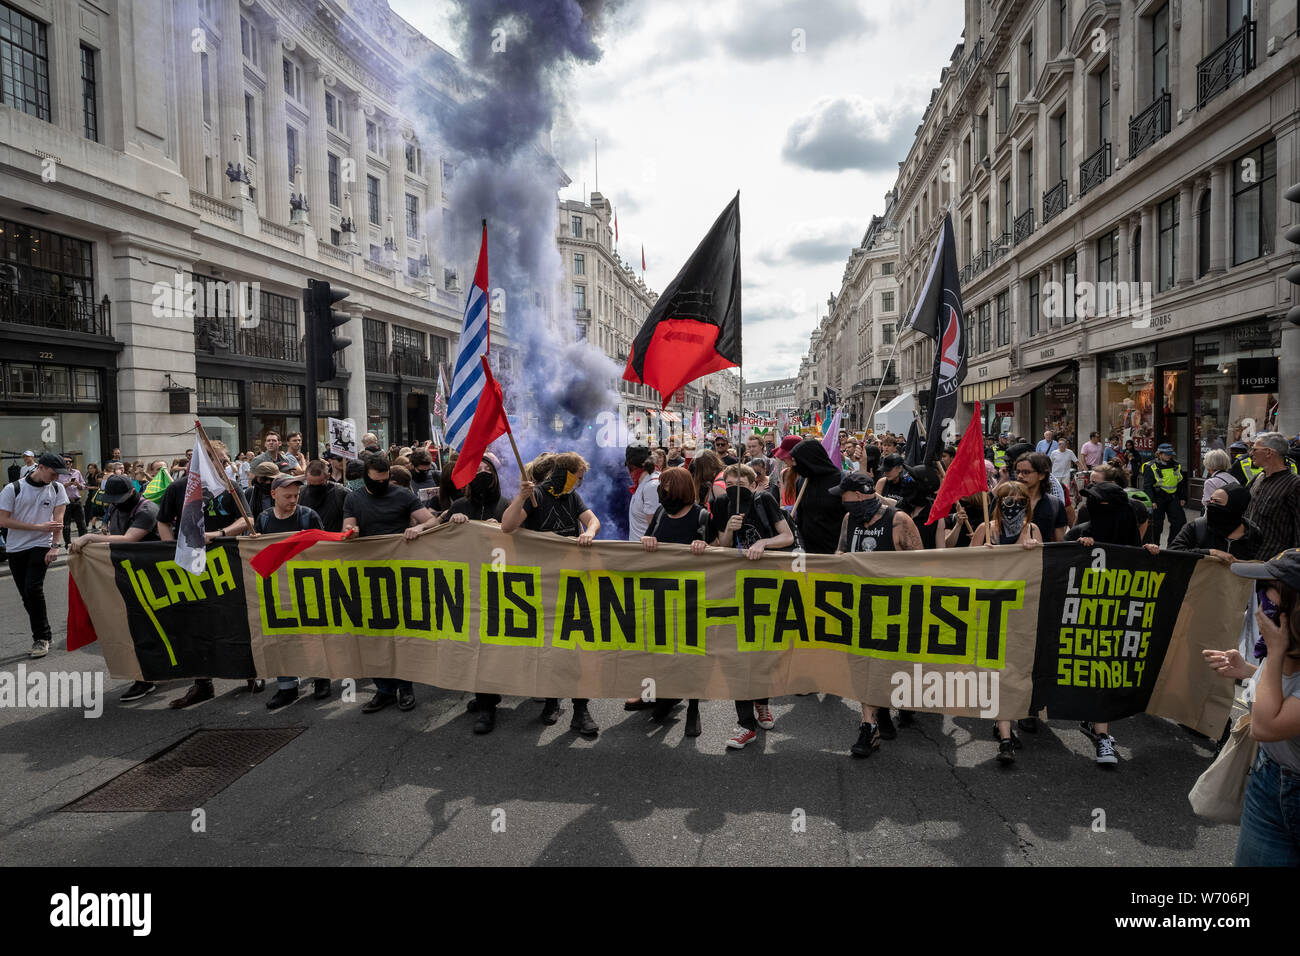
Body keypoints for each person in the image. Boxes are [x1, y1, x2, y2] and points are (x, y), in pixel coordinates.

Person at [500, 451, 601, 735]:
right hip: (542, 587)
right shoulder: (536, 496)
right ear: (564, 473)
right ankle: (551, 702)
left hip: (572, 584)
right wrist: (520, 497)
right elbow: (508, 526)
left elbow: (592, 520)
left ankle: (581, 711)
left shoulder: (571, 498)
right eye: (577, 477)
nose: (579, 483)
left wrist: (589, 532)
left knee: (578, 648)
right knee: (549, 648)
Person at [154, 441, 260, 707]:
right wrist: (170, 550)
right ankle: (202, 683)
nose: (225, 465)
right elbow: (162, 520)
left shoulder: (230, 487)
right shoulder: (178, 488)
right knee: (196, 620)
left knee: (236, 616)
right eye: (220, 460)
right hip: (193, 564)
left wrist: (219, 534)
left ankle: (250, 671)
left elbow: (247, 520)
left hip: (228, 562)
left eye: (225, 460)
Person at [1065, 481, 1159, 767]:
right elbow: (1053, 566)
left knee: (1106, 674)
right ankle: (1103, 735)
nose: (1098, 510)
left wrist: (1152, 557)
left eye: (1103, 504)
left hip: (1120, 621)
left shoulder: (1135, 544)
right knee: (1098, 674)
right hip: (1083, 620)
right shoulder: (1080, 534)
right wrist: (1078, 553)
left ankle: (1096, 723)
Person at [831, 471, 922, 757]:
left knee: (888, 666)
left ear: (858, 495)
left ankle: (890, 709)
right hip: (860, 606)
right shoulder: (850, 520)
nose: (841, 502)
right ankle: (869, 725)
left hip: (894, 608)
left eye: (844, 496)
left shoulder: (898, 520)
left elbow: (922, 564)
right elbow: (841, 551)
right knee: (862, 666)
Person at [343, 456, 438, 714]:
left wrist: (418, 529)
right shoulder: (354, 498)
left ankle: (405, 687)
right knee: (374, 634)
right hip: (368, 575)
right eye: (376, 481)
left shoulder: (402, 496)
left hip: (398, 575)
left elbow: (431, 520)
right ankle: (384, 689)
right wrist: (351, 533)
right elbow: (347, 528)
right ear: (366, 477)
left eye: (385, 481)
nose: (382, 485)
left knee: (399, 633)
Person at [1226, 549, 1300, 866]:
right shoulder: (1286, 643)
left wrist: (1276, 648)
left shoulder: (1279, 642)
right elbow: (1286, 695)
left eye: (1267, 591)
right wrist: (1248, 670)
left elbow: (1266, 726)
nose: (1260, 606)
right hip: (1269, 780)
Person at [716, 464, 795, 749]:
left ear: (754, 483)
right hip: (736, 589)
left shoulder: (765, 500)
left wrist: (762, 543)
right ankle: (744, 724)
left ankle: (762, 703)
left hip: (769, 587)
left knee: (763, 652)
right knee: (739, 655)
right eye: (730, 481)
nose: (735, 485)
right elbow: (722, 547)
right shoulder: (723, 503)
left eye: (741, 481)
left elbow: (787, 537)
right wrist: (729, 528)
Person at [639, 466, 711, 736]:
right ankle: (667, 696)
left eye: (666, 484)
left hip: (691, 597)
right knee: (663, 650)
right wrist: (648, 540)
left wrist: (704, 546)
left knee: (690, 653)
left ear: (678, 486)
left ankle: (693, 708)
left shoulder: (700, 514)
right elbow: (650, 536)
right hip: (661, 593)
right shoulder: (660, 513)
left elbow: (716, 550)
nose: (662, 489)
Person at [256, 475, 324, 711]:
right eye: (288, 496)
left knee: (312, 635)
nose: (294, 500)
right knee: (282, 638)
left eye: (296, 496)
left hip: (307, 587)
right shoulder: (263, 519)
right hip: (277, 588)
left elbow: (324, 547)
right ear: (273, 494)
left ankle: (321, 678)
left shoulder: (308, 515)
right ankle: (287, 687)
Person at [0, 452, 69, 658]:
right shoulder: (13, 489)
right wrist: (38, 527)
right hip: (16, 547)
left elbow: (59, 519)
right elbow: (3, 521)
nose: (56, 477)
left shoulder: (57, 488)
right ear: (41, 466)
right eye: (54, 472)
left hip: (42, 545)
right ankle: (44, 631)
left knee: (33, 588)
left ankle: (41, 637)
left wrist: (55, 546)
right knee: (26, 595)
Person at [1243, 433, 1300, 563]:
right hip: (1248, 558)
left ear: (1268, 452)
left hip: (1274, 565)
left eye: (1255, 449)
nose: (1251, 453)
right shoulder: (1258, 478)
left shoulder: (1295, 485)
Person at [789, 438, 847, 556]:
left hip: (835, 552)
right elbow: (801, 515)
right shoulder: (802, 482)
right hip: (807, 553)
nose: (794, 466)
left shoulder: (842, 481)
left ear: (809, 460)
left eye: (797, 461)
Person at [1170, 484, 1256, 563]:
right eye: (1211, 500)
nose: (1210, 505)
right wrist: (1211, 552)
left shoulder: (1253, 534)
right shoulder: (1197, 527)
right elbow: (1173, 551)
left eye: (1217, 502)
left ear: (1234, 507)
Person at [1013, 452, 1067, 546]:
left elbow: (1059, 544)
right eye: (1018, 472)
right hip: (1011, 559)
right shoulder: (1005, 502)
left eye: (1026, 472)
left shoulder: (1055, 505)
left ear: (1041, 475)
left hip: (1043, 559)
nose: (1020, 476)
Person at [440, 453, 507, 524]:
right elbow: (444, 533)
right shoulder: (458, 506)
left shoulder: (505, 506)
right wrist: (452, 522)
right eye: (478, 470)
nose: (483, 472)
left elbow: (514, 532)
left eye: (488, 469)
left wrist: (499, 527)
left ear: (494, 475)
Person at [1142, 442, 1188, 545]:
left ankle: (1172, 545)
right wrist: (1151, 501)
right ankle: (1155, 546)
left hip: (1173, 497)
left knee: (1179, 521)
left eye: (1170, 454)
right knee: (1157, 525)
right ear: (1159, 454)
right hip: (1158, 498)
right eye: (1166, 454)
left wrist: (1182, 497)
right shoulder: (1150, 466)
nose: (1169, 456)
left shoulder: (1176, 465)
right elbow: (1147, 486)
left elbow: (1180, 482)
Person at [298, 459, 348, 532]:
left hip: (332, 540)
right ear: (306, 477)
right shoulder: (300, 493)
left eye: (320, 484)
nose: (315, 488)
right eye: (311, 484)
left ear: (328, 476)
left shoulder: (341, 493)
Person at [626, 445, 659, 541]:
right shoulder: (643, 484)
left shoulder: (652, 486)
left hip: (647, 553)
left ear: (630, 466)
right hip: (639, 551)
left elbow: (655, 528)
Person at [58, 454, 88, 540]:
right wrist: (67, 484)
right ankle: (68, 544)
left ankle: (83, 542)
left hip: (77, 501)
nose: (67, 463)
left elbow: (83, 486)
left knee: (82, 523)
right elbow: (55, 487)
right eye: (65, 461)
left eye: (69, 461)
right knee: (66, 525)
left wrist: (78, 484)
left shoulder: (77, 472)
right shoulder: (58, 473)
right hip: (65, 502)